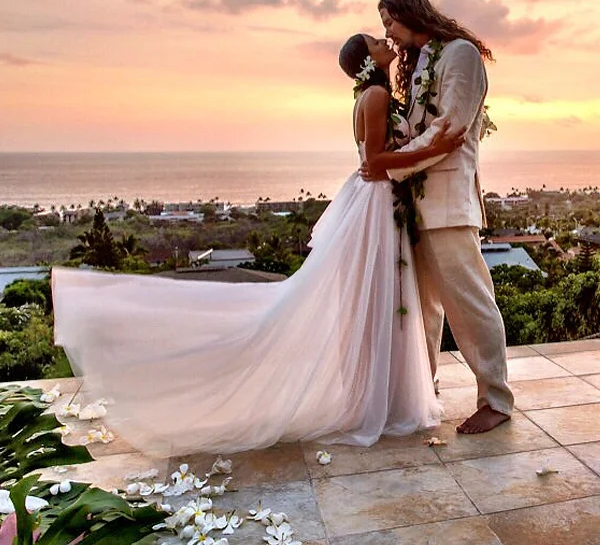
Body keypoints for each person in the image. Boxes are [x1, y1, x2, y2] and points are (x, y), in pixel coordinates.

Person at [52, 33, 463, 458]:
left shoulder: (367, 95)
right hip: (376, 202)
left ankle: (382, 396)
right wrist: (435, 147)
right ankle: (383, 401)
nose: (384, 41)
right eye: (376, 41)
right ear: (367, 61)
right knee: (378, 298)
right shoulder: (376, 95)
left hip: (372, 202)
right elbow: (373, 163)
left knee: (377, 300)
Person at [362, 0, 514, 434]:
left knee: (470, 303)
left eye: (389, 20)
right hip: (415, 206)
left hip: (449, 202)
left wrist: (394, 167)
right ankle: (421, 390)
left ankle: (496, 398)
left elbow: (450, 129)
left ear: (411, 12)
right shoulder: (421, 61)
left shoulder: (461, 54)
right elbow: (417, 129)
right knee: (423, 308)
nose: (387, 31)